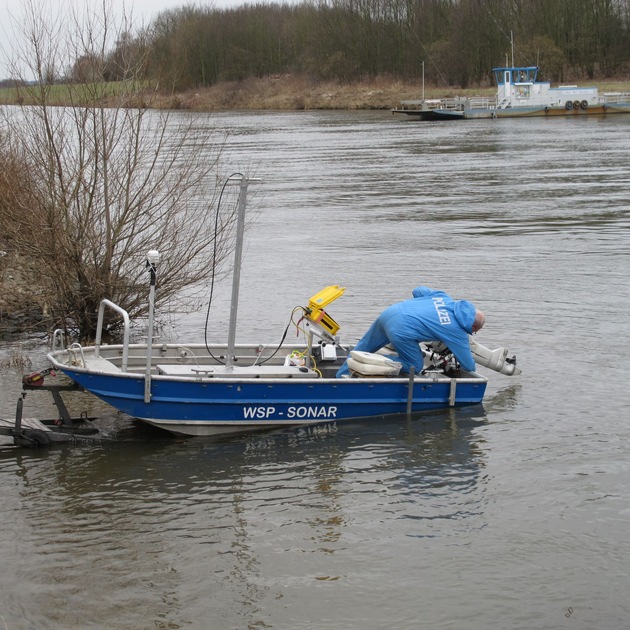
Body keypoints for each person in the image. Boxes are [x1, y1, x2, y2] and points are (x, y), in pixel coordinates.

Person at [336, 286, 485, 377]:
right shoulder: (457, 331)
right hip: (401, 331)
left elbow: (418, 290)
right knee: (415, 366)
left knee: (362, 348)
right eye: (475, 331)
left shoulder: (444, 298)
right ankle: (375, 362)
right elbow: (469, 365)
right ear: (473, 326)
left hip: (390, 313)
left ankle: (340, 376)